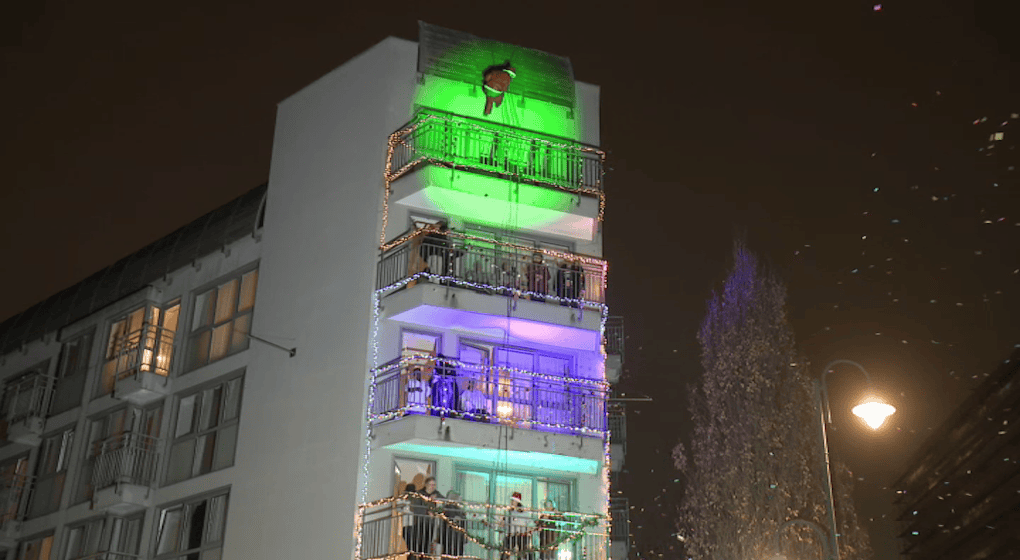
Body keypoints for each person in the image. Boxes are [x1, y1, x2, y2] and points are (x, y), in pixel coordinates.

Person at [501, 492, 533, 560]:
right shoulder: (509, 511)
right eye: (512, 501)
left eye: (513, 501)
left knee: (523, 552)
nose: (512, 502)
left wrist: (528, 530)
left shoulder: (524, 512)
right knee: (506, 550)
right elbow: (506, 522)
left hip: (522, 534)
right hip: (511, 534)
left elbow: (530, 523)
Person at [441, 491, 467, 558]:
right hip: (453, 535)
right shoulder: (450, 508)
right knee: (452, 552)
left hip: (454, 535)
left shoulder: (450, 508)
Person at [400, 483, 419, 558]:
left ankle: (411, 556)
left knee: (409, 542)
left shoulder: (404, 500)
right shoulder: (415, 500)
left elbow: (399, 508)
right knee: (411, 542)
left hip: (407, 524)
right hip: (411, 523)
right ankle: (411, 555)